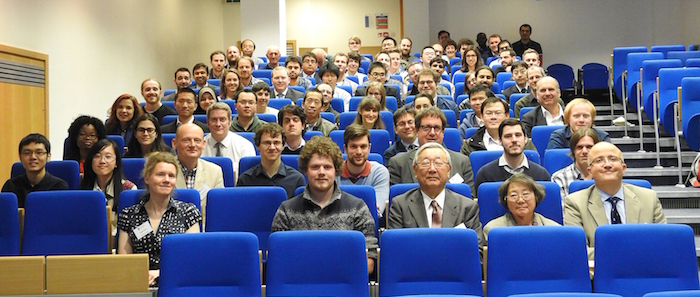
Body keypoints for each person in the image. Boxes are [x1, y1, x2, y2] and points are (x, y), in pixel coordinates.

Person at [270, 136, 378, 274]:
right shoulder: (286, 210)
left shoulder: (358, 208)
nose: (321, 172)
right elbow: (278, 262)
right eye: (315, 167)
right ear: (306, 171)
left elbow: (369, 262)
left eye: (327, 167)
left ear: (336, 170)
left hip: (344, 287)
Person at [564, 142, 666, 260]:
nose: (607, 165)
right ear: (590, 171)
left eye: (613, 159)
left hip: (643, 270)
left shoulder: (649, 198)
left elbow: (662, 243)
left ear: (623, 168)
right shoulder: (575, 203)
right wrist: (629, 252)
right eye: (599, 160)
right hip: (600, 273)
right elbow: (578, 250)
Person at [117, 151, 201, 286]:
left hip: (178, 282)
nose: (167, 180)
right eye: (160, 174)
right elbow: (124, 261)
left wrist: (160, 273)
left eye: (171, 176)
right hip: (139, 283)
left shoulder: (188, 212)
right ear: (147, 178)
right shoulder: (129, 215)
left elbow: (192, 258)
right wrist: (142, 275)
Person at [387, 142, 486, 248]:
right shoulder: (400, 205)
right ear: (415, 171)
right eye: (425, 163)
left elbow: (477, 250)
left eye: (438, 163)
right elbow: (395, 249)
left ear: (448, 170)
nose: (432, 169)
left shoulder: (467, 207)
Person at [388, 107, 476, 198]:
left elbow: (469, 200)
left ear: (443, 132)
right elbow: (396, 203)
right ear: (417, 131)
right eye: (426, 128)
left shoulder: (462, 161)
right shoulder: (398, 163)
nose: (432, 133)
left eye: (437, 128)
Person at [79, 139, 137, 234]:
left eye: (108, 157)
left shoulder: (128, 189)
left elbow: (133, 226)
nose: (102, 161)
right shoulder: (83, 189)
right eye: (97, 156)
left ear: (116, 163)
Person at [474, 118, 551, 189]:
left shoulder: (541, 175)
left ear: (525, 139)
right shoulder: (485, 175)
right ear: (500, 141)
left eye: (518, 135)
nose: (514, 140)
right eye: (508, 136)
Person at [237, 123, 306, 198]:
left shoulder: (297, 179)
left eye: (276, 143)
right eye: (267, 143)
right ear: (258, 146)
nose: (272, 147)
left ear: (282, 146)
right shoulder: (245, 180)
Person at [483, 173, 560, 238]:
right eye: (514, 195)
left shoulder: (554, 230)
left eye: (526, 194)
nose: (520, 200)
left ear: (536, 197)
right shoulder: (493, 231)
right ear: (505, 200)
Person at [172, 123, 224, 219]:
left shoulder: (215, 172)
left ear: (203, 144)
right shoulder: (162, 170)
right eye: (186, 140)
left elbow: (218, 211)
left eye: (197, 140)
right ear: (174, 143)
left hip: (203, 231)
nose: (192, 145)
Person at [2, 133, 68, 208]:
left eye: (39, 153)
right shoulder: (11, 186)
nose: (33, 157)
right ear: (20, 157)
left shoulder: (59, 187)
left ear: (48, 156)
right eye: (27, 153)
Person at [338, 124, 390, 215]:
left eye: (363, 147)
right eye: (353, 147)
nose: (359, 152)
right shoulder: (333, 173)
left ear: (369, 148)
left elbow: (375, 213)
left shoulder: (380, 172)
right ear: (345, 149)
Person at [461, 97, 537, 156]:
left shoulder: (522, 141)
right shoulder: (469, 145)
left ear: (507, 116)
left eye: (498, 113)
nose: (493, 117)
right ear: (481, 117)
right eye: (489, 113)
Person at [202, 102, 256, 180]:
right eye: (214, 119)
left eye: (222, 119)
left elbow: (248, 179)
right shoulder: (198, 146)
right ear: (207, 122)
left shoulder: (245, 146)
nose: (218, 124)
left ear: (230, 121)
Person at [552, 128, 600, 202]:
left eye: (589, 147)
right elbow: (564, 211)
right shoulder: (559, 178)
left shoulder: (605, 176)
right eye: (579, 147)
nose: (584, 151)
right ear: (573, 150)